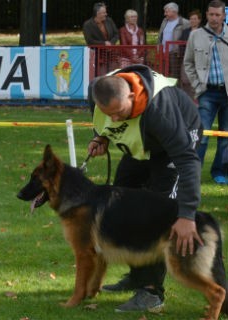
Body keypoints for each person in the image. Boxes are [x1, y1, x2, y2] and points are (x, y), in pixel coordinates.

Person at [87, 65, 203, 313]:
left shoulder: (160, 112)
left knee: (153, 216)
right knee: (119, 207)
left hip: (175, 142)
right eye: (109, 115)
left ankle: (151, 292)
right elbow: (105, 122)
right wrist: (102, 138)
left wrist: (186, 215)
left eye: (118, 112)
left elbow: (187, 160)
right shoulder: (99, 93)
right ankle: (138, 276)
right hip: (141, 141)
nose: (114, 118)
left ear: (131, 95)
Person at [183, 0, 228, 185]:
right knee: (200, 135)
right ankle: (194, 172)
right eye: (211, 14)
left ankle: (220, 172)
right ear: (207, 15)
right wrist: (197, 86)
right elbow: (188, 63)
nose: (214, 18)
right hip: (207, 93)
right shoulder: (196, 35)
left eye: (218, 15)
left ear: (224, 16)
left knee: (226, 137)